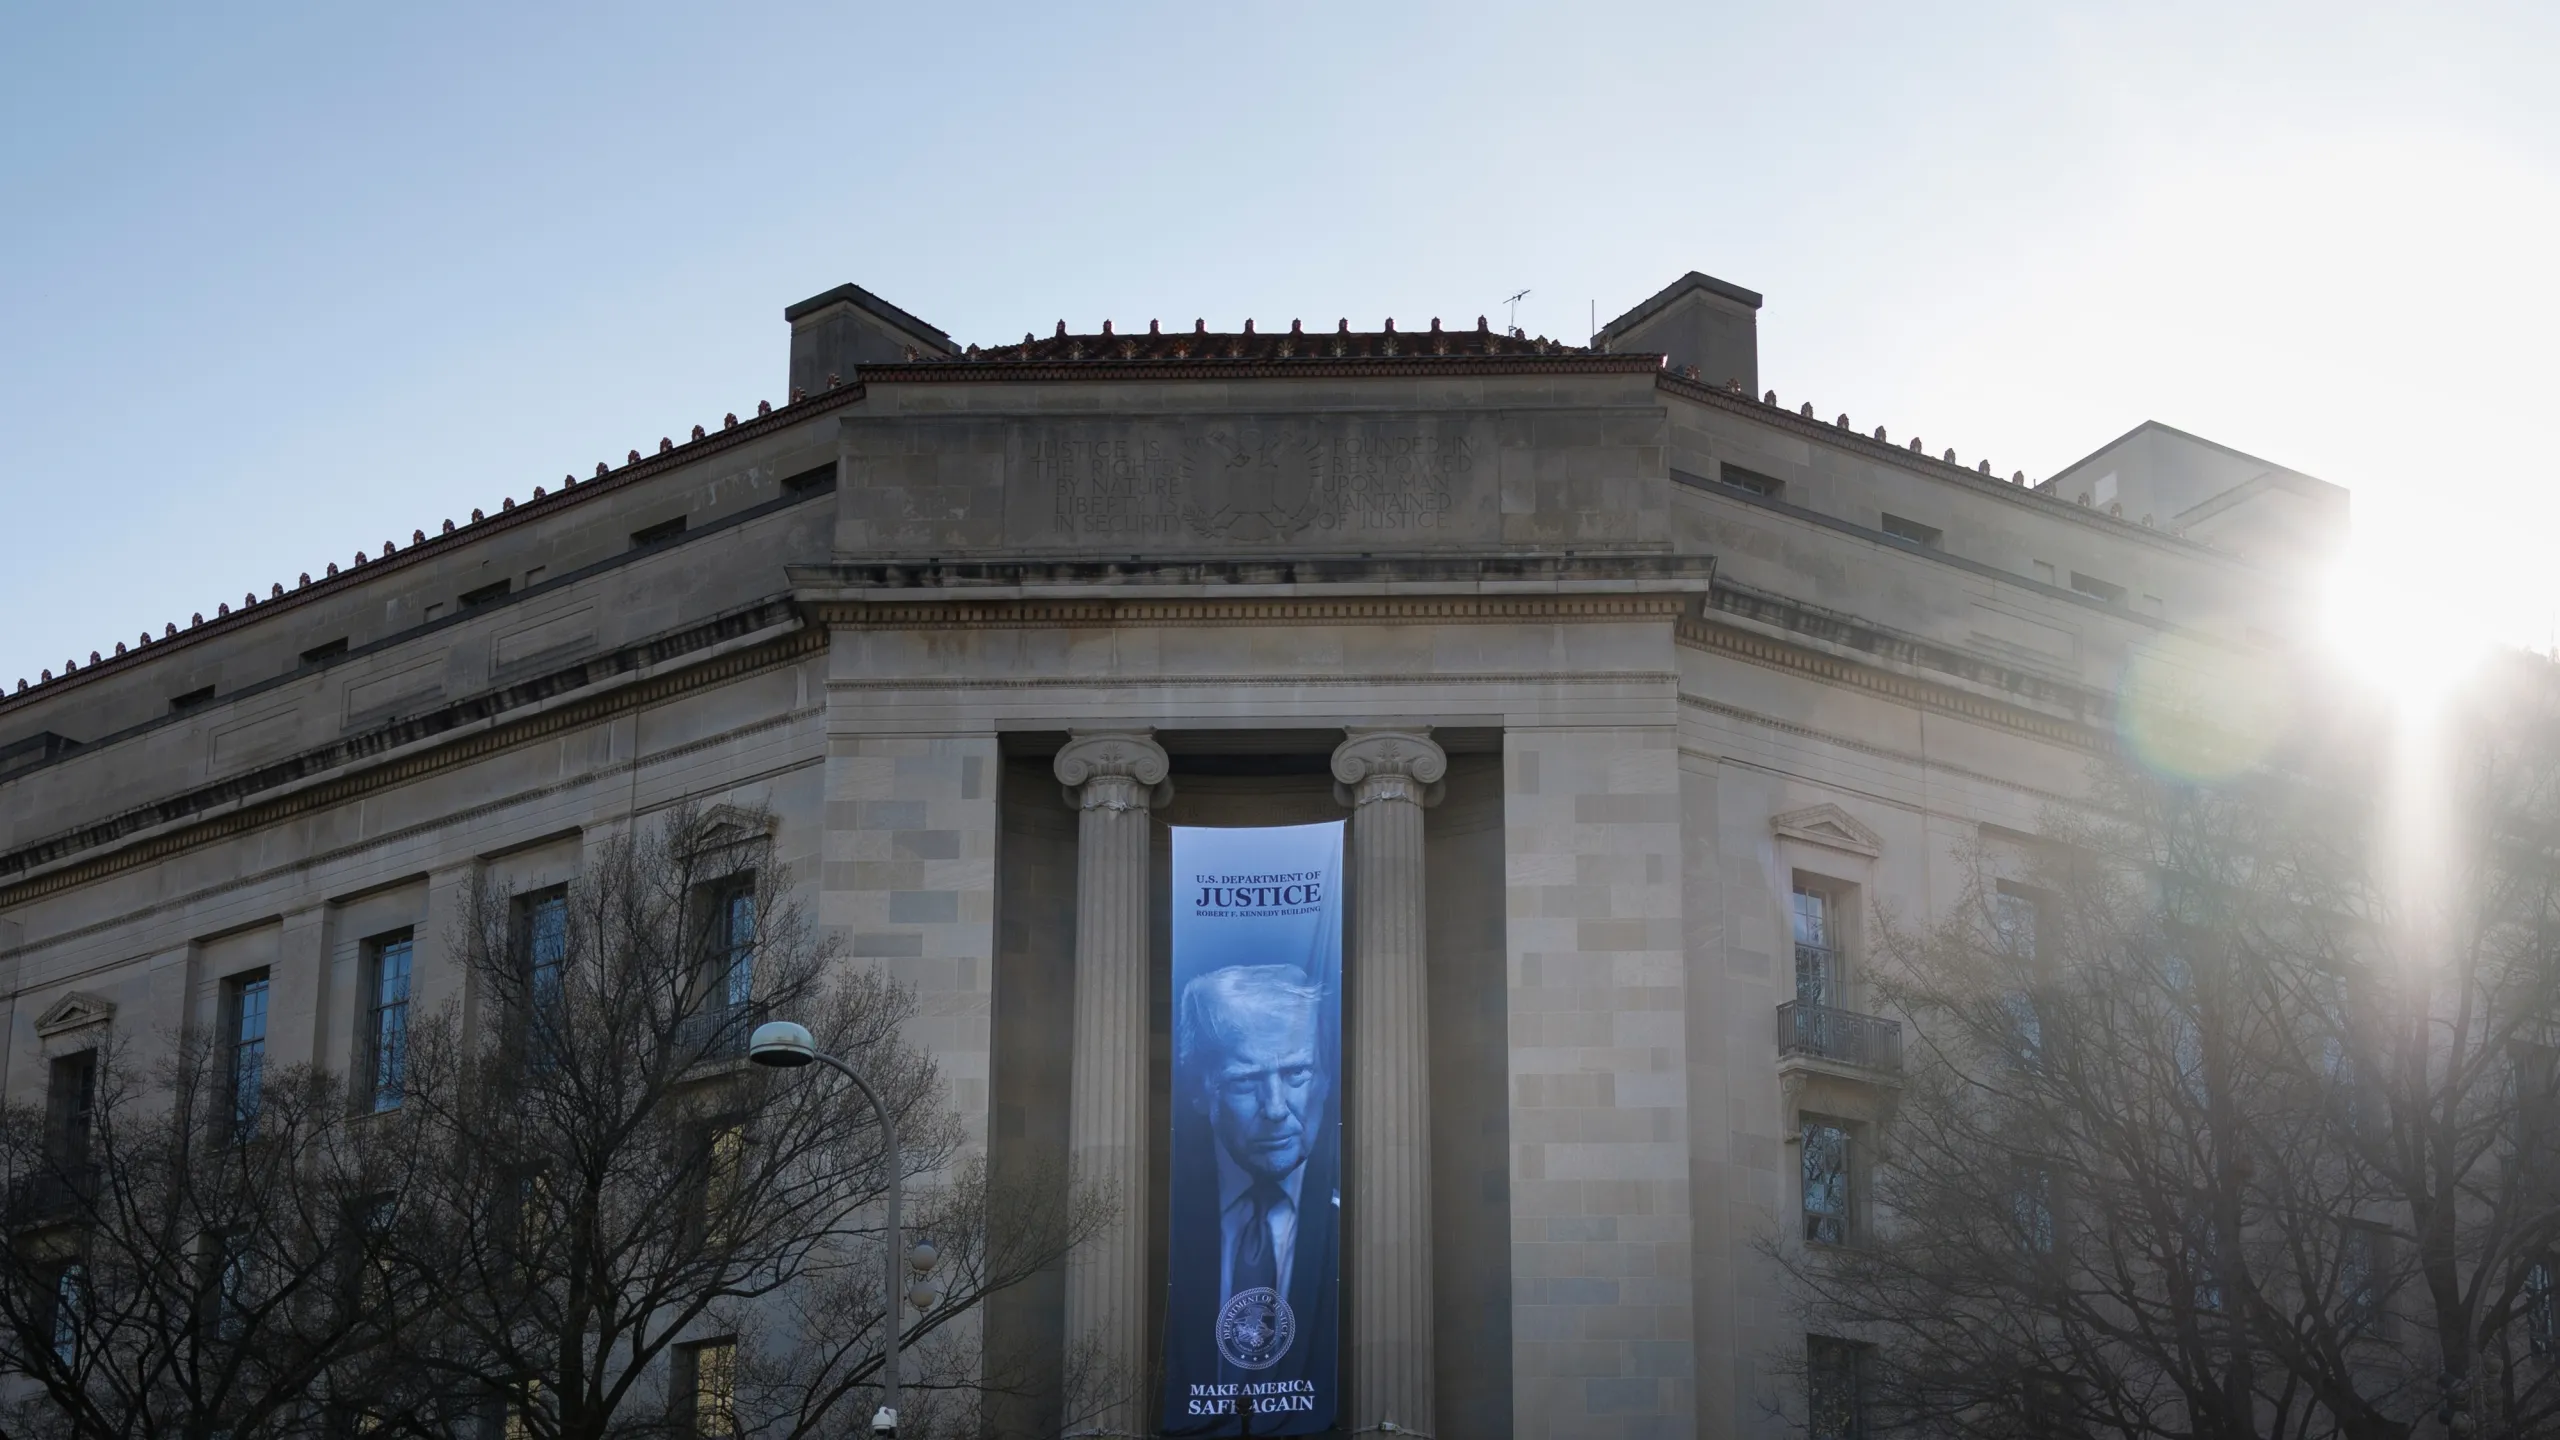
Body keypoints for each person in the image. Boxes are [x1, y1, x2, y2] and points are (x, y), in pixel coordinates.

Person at [1162, 963, 1339, 1434]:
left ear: (1324, 1078)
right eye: (1244, 1081)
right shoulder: (1163, 1216)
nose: (1277, 1109)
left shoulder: (1358, 1216)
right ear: (1202, 1090)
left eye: (1297, 1072)